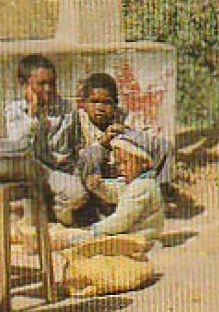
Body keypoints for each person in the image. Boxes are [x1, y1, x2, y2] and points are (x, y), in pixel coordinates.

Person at [3, 54, 88, 226]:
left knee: (78, 194)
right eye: (41, 84)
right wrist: (33, 117)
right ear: (24, 85)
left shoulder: (66, 110)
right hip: (31, 171)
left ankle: (55, 212)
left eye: (51, 83)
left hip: (58, 171)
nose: (48, 89)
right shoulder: (15, 110)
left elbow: (76, 145)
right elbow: (18, 145)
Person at [74, 72, 176, 210]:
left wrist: (127, 134)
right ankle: (95, 206)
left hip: (123, 176)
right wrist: (102, 143)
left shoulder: (124, 117)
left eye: (106, 102)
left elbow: (151, 141)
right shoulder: (77, 121)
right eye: (94, 101)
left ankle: (158, 194)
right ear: (84, 103)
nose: (100, 108)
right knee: (90, 155)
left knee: (164, 146)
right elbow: (77, 159)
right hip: (94, 180)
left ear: (115, 104)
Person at [59, 136, 166, 246]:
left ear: (143, 163)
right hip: (131, 230)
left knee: (91, 239)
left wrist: (96, 228)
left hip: (142, 234)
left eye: (125, 162)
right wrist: (99, 187)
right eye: (118, 164)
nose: (121, 167)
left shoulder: (142, 186)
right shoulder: (133, 182)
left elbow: (123, 219)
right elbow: (115, 191)